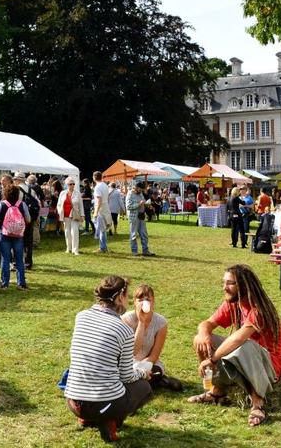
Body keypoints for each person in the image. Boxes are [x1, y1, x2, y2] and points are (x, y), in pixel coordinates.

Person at [189, 265, 281, 428]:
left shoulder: (258, 310)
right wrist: (204, 334)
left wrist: (212, 359)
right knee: (200, 339)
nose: (224, 287)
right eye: (224, 282)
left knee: (245, 346)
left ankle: (258, 404)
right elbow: (207, 323)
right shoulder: (234, 303)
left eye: (230, 283)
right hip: (243, 354)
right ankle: (217, 391)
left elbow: (238, 339)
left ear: (244, 286)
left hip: (268, 364)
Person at [65, 276, 153, 442]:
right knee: (144, 388)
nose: (128, 301)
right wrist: (143, 373)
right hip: (102, 404)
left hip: (73, 402)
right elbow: (126, 376)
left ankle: (86, 418)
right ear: (120, 297)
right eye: (127, 296)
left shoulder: (81, 316)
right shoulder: (124, 330)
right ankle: (110, 422)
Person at [121, 284, 183, 391]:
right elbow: (131, 352)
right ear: (134, 302)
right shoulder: (126, 319)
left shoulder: (161, 323)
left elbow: (154, 355)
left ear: (153, 302)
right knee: (125, 373)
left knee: (154, 371)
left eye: (147, 299)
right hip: (128, 363)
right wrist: (141, 322)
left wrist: (141, 367)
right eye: (140, 300)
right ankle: (155, 382)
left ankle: (150, 380)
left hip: (149, 363)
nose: (144, 302)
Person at [0, 184, 31, 290]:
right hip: (18, 235)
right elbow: (28, 219)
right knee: (19, 259)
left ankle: (4, 284)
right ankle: (21, 283)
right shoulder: (22, 204)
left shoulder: (1, 204)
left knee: (5, 259)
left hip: (4, 234)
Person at [126, 181, 155, 257]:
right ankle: (134, 251)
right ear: (136, 187)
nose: (141, 191)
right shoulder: (130, 194)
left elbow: (143, 201)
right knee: (133, 235)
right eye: (140, 189)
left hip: (142, 216)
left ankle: (145, 251)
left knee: (144, 234)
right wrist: (139, 204)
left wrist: (147, 205)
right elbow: (128, 206)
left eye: (142, 189)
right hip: (134, 218)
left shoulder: (140, 193)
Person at [57, 176, 84, 255]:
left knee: (74, 232)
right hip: (65, 215)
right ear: (66, 185)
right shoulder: (62, 193)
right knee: (67, 232)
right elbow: (59, 204)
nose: (72, 185)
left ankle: (75, 250)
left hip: (74, 215)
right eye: (70, 184)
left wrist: (82, 215)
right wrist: (60, 212)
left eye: (73, 184)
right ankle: (68, 248)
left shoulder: (77, 193)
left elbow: (81, 205)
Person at [92, 171, 112, 253]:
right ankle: (104, 247)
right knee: (103, 229)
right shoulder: (105, 185)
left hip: (101, 209)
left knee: (101, 229)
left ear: (94, 178)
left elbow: (99, 200)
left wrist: (96, 212)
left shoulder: (97, 187)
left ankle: (102, 247)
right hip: (105, 207)